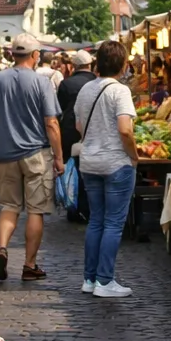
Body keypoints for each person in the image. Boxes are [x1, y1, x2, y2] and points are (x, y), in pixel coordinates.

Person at [0, 33, 64, 282]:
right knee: (35, 210)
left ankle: (3, 248)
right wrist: (59, 157)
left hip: (6, 154)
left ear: (11, 54)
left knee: (8, 206)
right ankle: (29, 264)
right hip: (36, 154)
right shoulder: (42, 83)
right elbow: (51, 123)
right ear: (35, 55)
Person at [74, 41, 139, 298]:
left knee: (96, 221)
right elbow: (125, 129)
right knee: (113, 223)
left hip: (89, 162)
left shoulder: (85, 90)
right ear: (123, 65)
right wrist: (134, 155)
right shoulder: (120, 91)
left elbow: (79, 126)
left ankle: (89, 279)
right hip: (115, 162)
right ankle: (104, 280)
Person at [57, 49, 99, 221]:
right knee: (92, 170)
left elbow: (59, 109)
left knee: (72, 169)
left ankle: (74, 207)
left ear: (73, 66)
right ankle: (91, 207)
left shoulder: (66, 84)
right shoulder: (97, 82)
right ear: (90, 65)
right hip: (93, 130)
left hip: (69, 131)